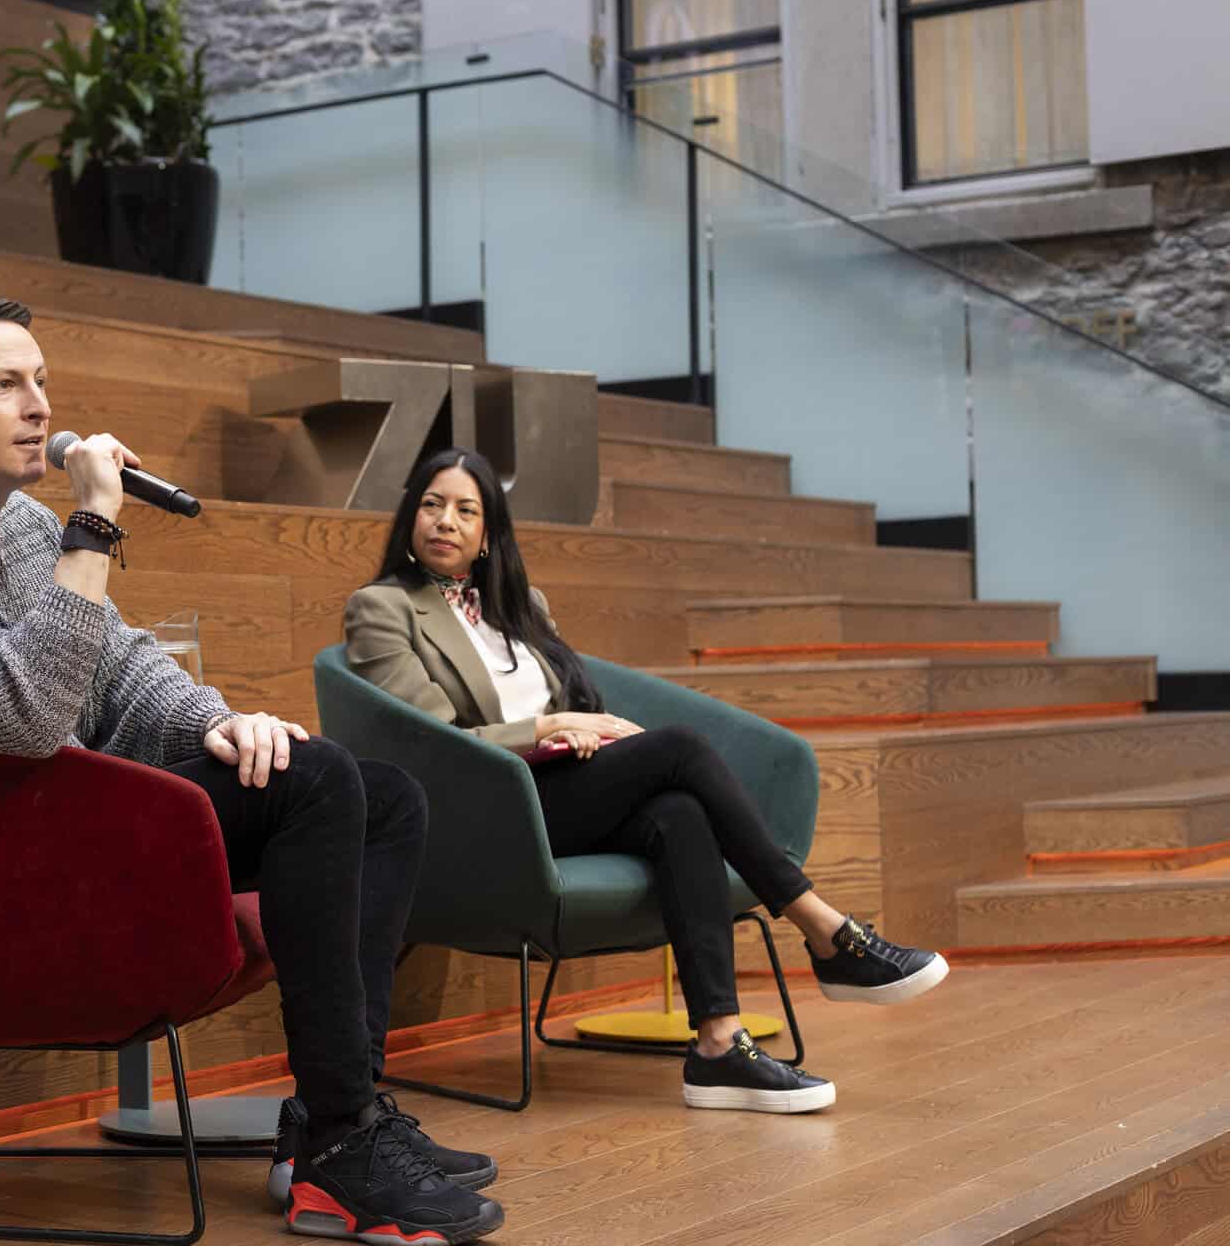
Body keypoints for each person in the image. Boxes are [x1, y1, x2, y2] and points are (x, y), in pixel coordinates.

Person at [0, 298, 503, 1244]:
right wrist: (92, 525)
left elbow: (120, 665)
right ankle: (342, 1143)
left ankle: (338, 1119)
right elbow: (22, 714)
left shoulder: (19, 530)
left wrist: (222, 723)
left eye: (41, 381)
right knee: (318, 785)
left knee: (383, 797)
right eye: (5, 385)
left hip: (55, 823)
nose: (40, 407)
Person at [343, 448, 949, 1115]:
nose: (446, 521)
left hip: (560, 788)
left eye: (466, 510)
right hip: (486, 810)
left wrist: (572, 731)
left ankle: (718, 1045)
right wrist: (548, 728)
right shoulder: (382, 608)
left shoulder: (523, 607)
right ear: (411, 515)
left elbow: (568, 699)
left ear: (489, 534)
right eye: (432, 504)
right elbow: (434, 742)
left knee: (680, 813)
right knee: (680, 749)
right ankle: (825, 930)